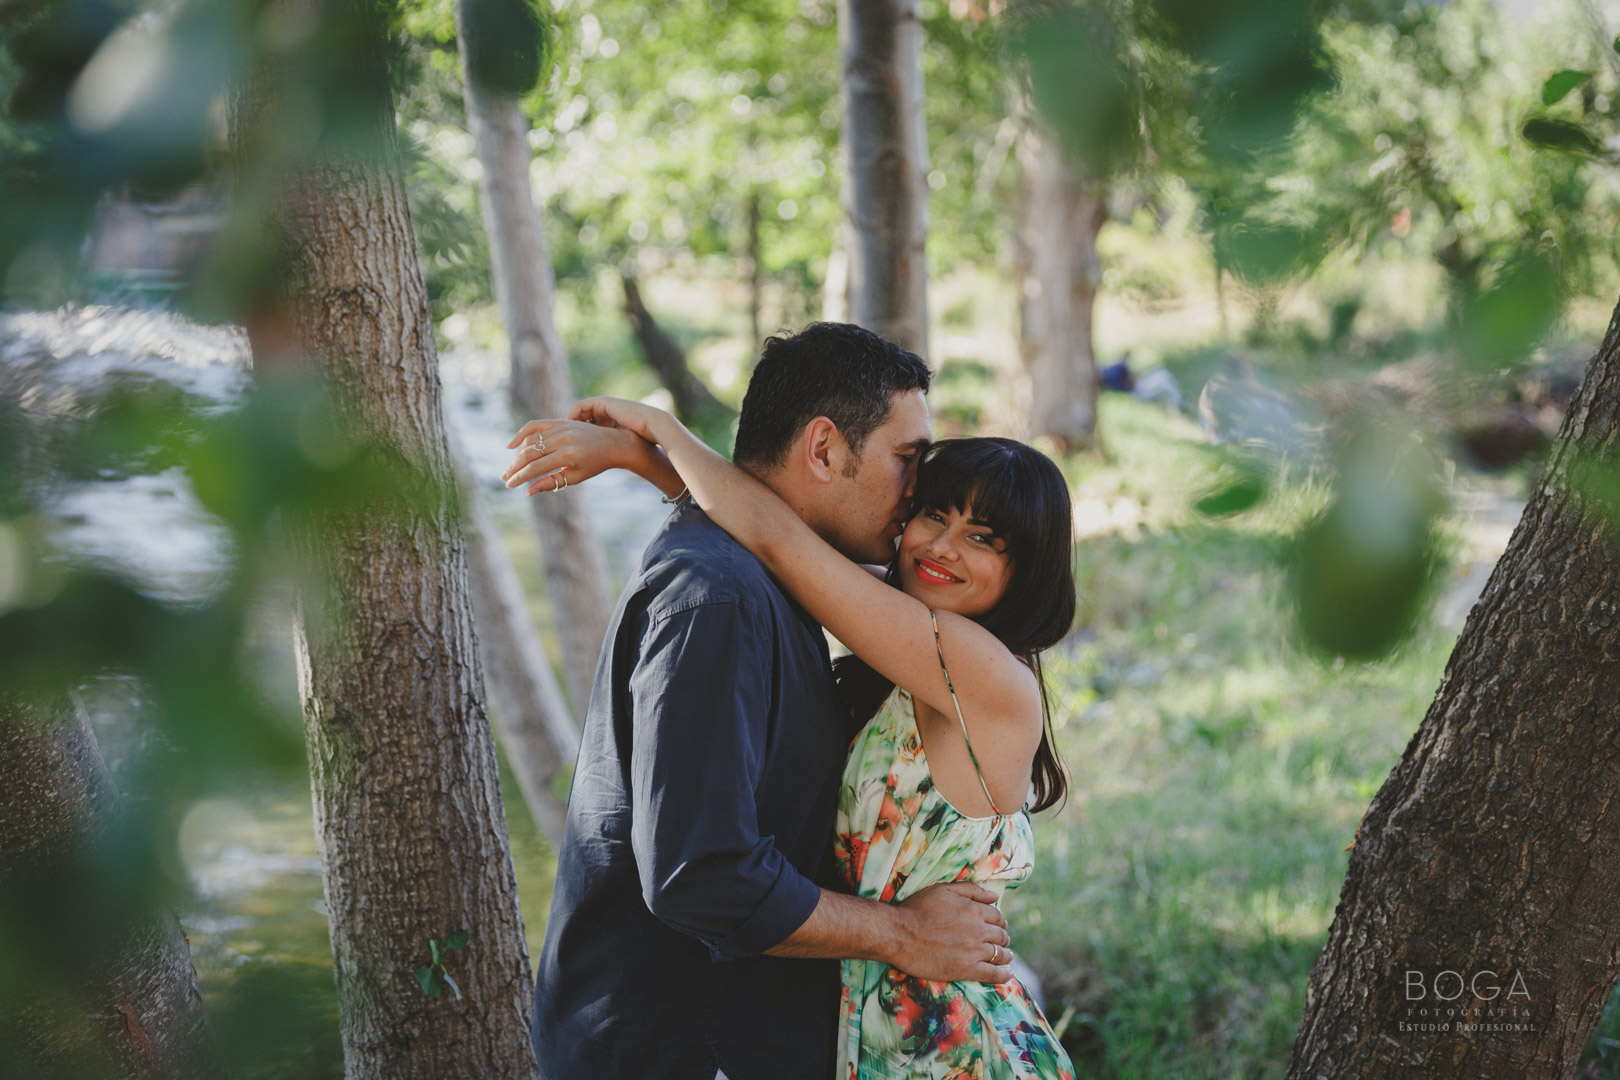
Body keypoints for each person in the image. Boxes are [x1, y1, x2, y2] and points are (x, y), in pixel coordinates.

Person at [503, 349, 1078, 1079]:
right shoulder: (895, 619)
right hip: (877, 1023)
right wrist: (642, 458)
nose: (937, 541)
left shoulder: (980, 670)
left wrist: (660, 433)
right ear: (825, 449)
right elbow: (777, 532)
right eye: (934, 509)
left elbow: (781, 542)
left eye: (983, 538)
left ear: (1027, 571)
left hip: (945, 1038)